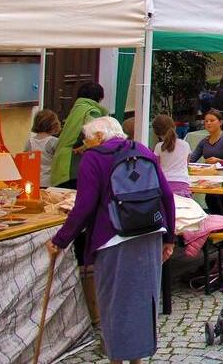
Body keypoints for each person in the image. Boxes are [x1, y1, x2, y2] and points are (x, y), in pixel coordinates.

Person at [47, 116, 175, 364]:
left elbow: (83, 206)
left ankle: (116, 359)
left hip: (113, 237)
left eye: (86, 139)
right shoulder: (142, 149)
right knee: (142, 300)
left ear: (97, 136)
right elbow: (166, 195)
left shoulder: (93, 158)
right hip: (150, 233)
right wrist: (169, 237)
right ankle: (137, 359)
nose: (84, 144)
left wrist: (60, 240)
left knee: (114, 302)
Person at [51, 81, 108, 188]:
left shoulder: (77, 108)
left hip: (61, 161)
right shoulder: (92, 111)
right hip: (73, 164)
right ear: (100, 98)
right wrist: (84, 147)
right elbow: (96, 135)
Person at [151, 114, 191, 197]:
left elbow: (156, 168)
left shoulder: (159, 147)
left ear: (156, 132)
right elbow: (186, 165)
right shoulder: (185, 145)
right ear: (174, 126)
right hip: (182, 183)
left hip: (164, 183)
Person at [25, 109, 61, 187]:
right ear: (53, 124)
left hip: (33, 182)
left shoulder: (29, 142)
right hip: (50, 182)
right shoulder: (54, 142)